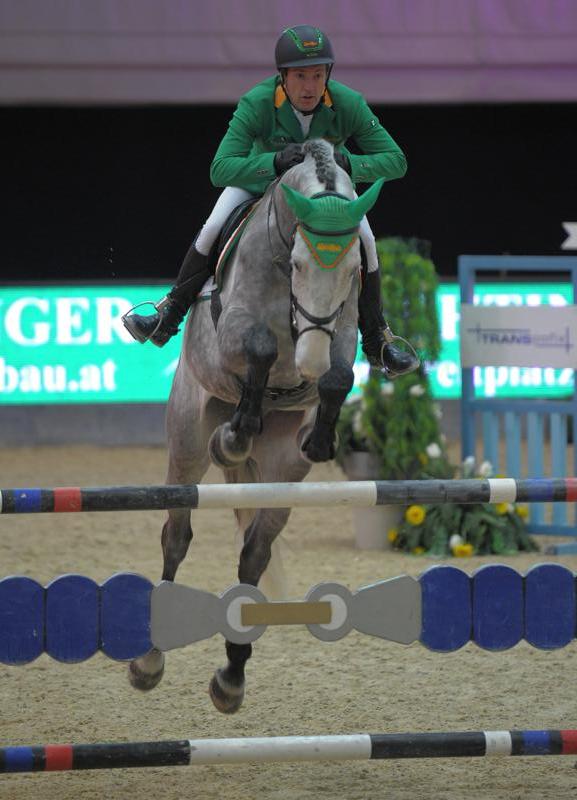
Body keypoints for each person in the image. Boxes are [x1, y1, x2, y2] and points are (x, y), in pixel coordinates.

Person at [123, 25, 419, 376]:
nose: (310, 87)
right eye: (300, 76)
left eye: (318, 75)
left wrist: (349, 163)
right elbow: (220, 169)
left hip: (325, 196)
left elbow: (396, 160)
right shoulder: (258, 102)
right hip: (262, 185)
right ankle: (170, 312)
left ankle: (377, 340)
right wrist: (273, 163)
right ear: (283, 77)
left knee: (367, 241)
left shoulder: (348, 102)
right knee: (214, 225)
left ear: (328, 74)